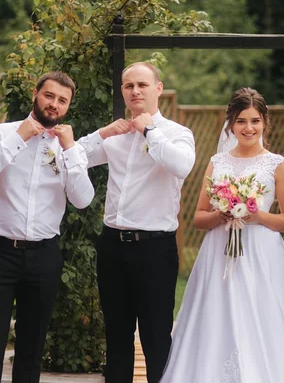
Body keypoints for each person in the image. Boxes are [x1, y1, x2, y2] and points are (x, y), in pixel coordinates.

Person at [159, 87, 284, 383]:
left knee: (261, 317)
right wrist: (222, 215)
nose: (249, 128)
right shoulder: (218, 163)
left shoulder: (277, 164)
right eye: (242, 121)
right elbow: (197, 218)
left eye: (255, 120)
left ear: (265, 122)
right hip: (219, 252)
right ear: (231, 123)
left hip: (262, 253)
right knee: (219, 316)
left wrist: (256, 215)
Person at [0, 71, 95, 383]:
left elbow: (83, 199)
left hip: (43, 256)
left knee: (31, 348)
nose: (54, 104)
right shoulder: (2, 133)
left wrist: (72, 150)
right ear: (35, 94)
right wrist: (19, 137)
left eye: (62, 101)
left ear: (68, 107)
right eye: (49, 96)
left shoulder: (67, 148)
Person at [77, 62, 195, 383]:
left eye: (142, 84)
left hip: (155, 249)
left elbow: (181, 166)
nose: (135, 91)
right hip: (113, 245)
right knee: (116, 335)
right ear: (123, 92)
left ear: (158, 88)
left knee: (156, 336)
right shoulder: (116, 136)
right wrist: (102, 133)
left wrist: (149, 131)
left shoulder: (176, 134)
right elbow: (73, 158)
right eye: (129, 86)